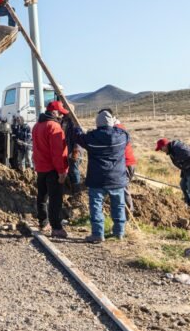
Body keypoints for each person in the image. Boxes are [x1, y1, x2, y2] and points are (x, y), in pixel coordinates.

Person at [72, 110, 130, 243]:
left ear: (97, 123)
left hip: (97, 179)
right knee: (118, 206)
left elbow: (78, 138)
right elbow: (126, 135)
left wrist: (78, 129)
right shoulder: (122, 136)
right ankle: (119, 232)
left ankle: (98, 234)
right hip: (117, 178)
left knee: (96, 206)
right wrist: (116, 125)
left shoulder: (91, 137)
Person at [32, 100, 69, 238]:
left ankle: (43, 222)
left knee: (42, 196)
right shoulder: (54, 126)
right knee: (55, 199)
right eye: (60, 113)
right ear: (54, 112)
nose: (61, 115)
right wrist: (61, 171)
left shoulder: (37, 126)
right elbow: (57, 152)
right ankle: (57, 228)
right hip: (52, 168)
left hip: (40, 167)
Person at [156, 138, 190, 208]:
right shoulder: (171, 150)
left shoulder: (178, 148)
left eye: (161, 148)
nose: (161, 150)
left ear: (165, 145)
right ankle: (189, 203)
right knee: (183, 185)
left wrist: (184, 168)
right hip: (188, 168)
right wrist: (184, 170)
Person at [62, 114, 82, 191]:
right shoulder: (63, 121)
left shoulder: (73, 123)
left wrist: (75, 151)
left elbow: (78, 137)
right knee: (69, 169)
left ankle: (77, 189)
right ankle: (70, 187)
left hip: (73, 150)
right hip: (66, 150)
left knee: (74, 170)